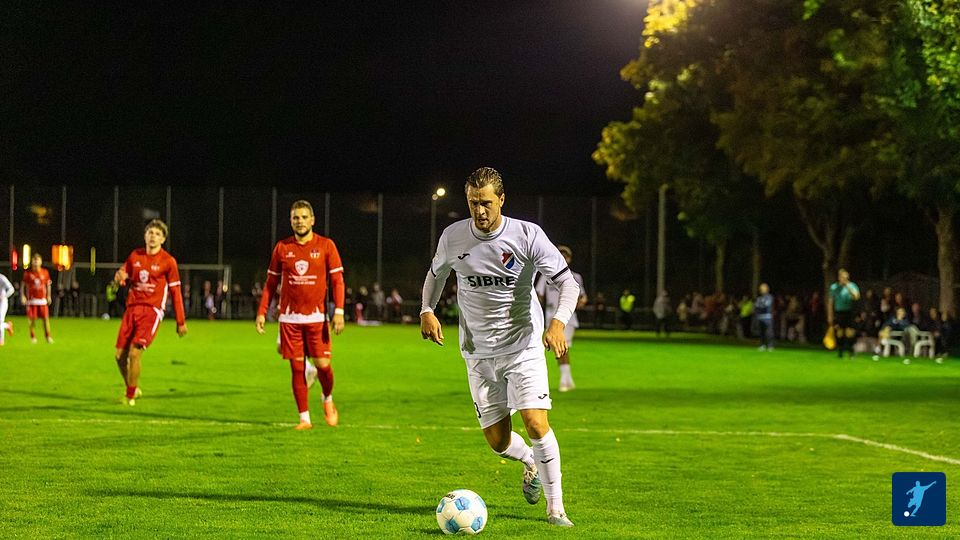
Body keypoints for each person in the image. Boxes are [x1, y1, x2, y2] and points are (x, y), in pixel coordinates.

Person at [419, 167, 578, 528]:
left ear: (502, 200)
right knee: (497, 441)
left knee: (535, 421)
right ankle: (530, 461)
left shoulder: (527, 235)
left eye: (487, 203)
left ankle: (556, 509)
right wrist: (427, 310)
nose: (480, 210)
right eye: (474, 203)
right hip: (477, 351)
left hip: (523, 345)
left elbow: (567, 284)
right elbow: (436, 274)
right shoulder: (453, 237)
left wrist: (557, 322)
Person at [256, 200, 345, 430]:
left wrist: (339, 311)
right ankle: (304, 418)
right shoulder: (282, 248)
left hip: (317, 318)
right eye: (296, 217)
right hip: (290, 320)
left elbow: (337, 280)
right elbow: (270, 283)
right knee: (297, 368)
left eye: (304, 217)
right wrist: (262, 312)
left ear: (312, 220)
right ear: (291, 221)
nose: (300, 221)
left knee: (323, 366)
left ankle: (327, 398)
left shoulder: (326, 246)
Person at [113, 219, 188, 405]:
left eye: (157, 234)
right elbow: (124, 276)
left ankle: (130, 396)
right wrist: (120, 278)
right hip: (132, 309)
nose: (153, 236)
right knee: (119, 356)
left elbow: (176, 291)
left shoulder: (168, 261)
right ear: (145, 236)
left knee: (134, 353)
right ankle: (132, 387)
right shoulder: (135, 256)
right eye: (150, 232)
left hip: (152, 311)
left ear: (163, 239)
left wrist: (180, 321)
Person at [535, 244, 587, 392]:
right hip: (550, 317)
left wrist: (578, 303)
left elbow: (582, 297)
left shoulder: (575, 277)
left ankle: (565, 380)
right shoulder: (545, 276)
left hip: (567, 318)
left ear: (569, 259)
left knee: (563, 346)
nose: (563, 257)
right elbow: (538, 295)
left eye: (566, 255)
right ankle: (567, 379)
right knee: (557, 347)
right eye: (560, 254)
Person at [827, 269, 861, 359]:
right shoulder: (834, 287)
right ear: (839, 278)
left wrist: (847, 286)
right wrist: (830, 315)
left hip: (849, 311)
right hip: (839, 312)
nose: (844, 279)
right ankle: (840, 350)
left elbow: (856, 297)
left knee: (850, 332)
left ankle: (850, 350)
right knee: (839, 332)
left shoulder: (852, 286)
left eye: (845, 277)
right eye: (842, 277)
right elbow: (830, 302)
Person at [21, 253, 54, 344]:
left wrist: (49, 296)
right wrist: (23, 296)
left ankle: (48, 336)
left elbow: (48, 285)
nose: (36, 262)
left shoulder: (45, 272)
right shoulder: (28, 273)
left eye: (37, 260)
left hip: (42, 300)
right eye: (34, 260)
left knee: (45, 319)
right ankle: (32, 336)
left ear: (41, 262)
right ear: (32, 262)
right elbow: (23, 285)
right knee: (32, 320)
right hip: (31, 301)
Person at [755, 283, 774, 351]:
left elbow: (765, 305)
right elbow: (756, 305)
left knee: (768, 332)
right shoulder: (759, 298)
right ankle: (762, 345)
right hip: (760, 317)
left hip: (767, 317)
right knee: (761, 332)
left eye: (763, 289)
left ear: (767, 289)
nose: (762, 290)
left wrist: (760, 305)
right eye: (761, 289)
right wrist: (760, 306)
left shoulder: (769, 297)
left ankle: (770, 346)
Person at [0, 273, 15, 345]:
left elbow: (11, 289)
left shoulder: (1, 278)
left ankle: (1, 340)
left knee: (0, 321)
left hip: (2, 302)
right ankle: (8, 326)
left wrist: (4, 296)